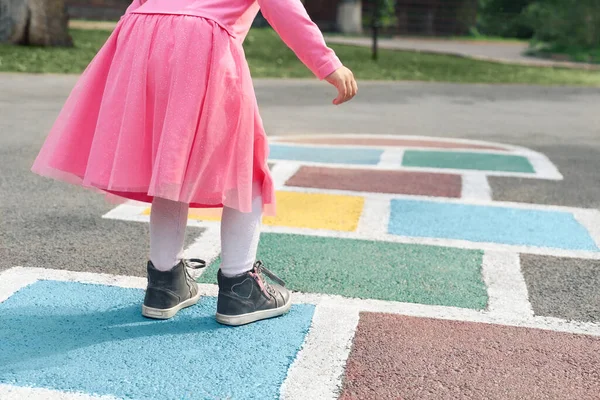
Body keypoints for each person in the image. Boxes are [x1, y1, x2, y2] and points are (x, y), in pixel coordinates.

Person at [31, 0, 357, 326]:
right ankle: (240, 284)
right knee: (242, 167)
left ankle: (164, 282)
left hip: (142, 36)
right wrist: (328, 64)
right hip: (199, 40)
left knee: (170, 164)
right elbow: (284, 8)